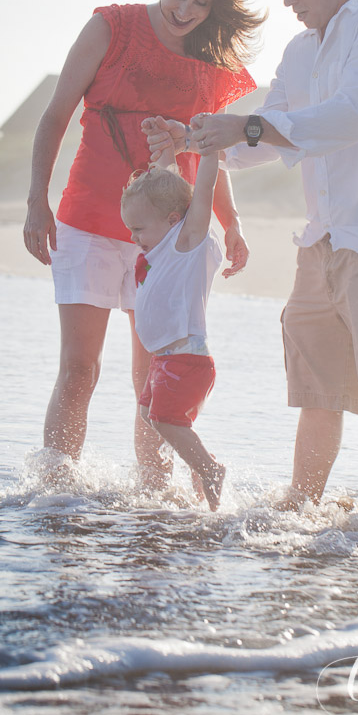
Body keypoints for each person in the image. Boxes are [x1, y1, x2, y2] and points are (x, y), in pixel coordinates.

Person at [148, 0, 358, 515]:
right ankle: (299, 513)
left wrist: (250, 124)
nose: (288, 1)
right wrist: (194, 138)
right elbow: (259, 135)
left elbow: (348, 118)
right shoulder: (300, 50)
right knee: (317, 392)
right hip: (322, 241)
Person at [23, 0, 263, 489]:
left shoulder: (210, 61)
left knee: (150, 379)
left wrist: (234, 226)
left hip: (165, 240)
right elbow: (56, 113)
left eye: (202, 4)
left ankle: (151, 497)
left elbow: (209, 150)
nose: (186, 11)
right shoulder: (112, 26)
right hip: (86, 220)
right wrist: (38, 200)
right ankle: (55, 494)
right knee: (79, 370)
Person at [121, 120, 225, 510]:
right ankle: (197, 469)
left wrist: (210, 152)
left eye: (137, 229)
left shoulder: (188, 244)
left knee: (165, 420)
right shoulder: (160, 246)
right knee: (151, 415)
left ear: (169, 221)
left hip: (187, 359)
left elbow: (201, 194)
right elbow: (167, 183)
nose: (133, 238)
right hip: (163, 360)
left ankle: (209, 469)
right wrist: (165, 149)